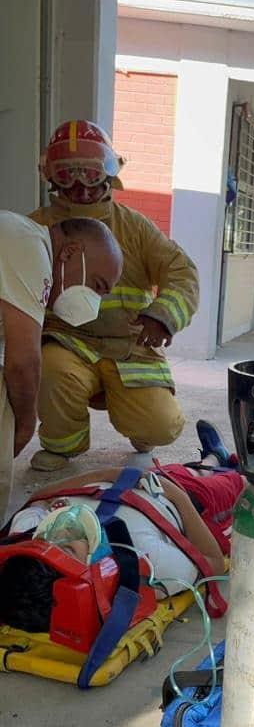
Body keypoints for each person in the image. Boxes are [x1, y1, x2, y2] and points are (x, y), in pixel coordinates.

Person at [29, 120, 200, 472]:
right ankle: (64, 445)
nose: (80, 187)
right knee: (53, 370)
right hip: (67, 341)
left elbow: (181, 271)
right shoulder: (37, 227)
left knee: (161, 426)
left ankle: (138, 419)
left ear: (109, 173)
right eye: (67, 175)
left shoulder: (135, 227)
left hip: (131, 346)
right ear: (50, 177)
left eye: (90, 175)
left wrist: (163, 315)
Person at [0, 456, 245, 633]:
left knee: (192, 469)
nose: (62, 530)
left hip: (146, 480)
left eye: (46, 539)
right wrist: (175, 495)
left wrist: (112, 475)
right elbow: (211, 562)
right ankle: (220, 464)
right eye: (68, 548)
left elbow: (39, 498)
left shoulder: (29, 531)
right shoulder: (146, 560)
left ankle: (213, 458)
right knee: (241, 483)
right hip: (189, 500)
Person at [0, 210, 122, 524]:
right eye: (96, 285)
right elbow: (22, 362)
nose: (94, 300)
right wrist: (26, 423)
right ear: (69, 252)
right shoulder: (31, 246)